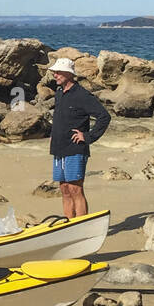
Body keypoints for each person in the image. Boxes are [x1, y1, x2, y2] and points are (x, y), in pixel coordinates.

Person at [45, 57, 110, 219]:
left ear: (68, 74)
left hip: (75, 148)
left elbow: (104, 117)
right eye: (54, 72)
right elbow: (60, 117)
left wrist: (88, 137)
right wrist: (53, 135)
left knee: (75, 189)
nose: (55, 75)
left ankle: (82, 224)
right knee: (64, 189)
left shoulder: (82, 95)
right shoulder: (59, 93)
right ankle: (69, 224)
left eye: (58, 72)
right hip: (59, 148)